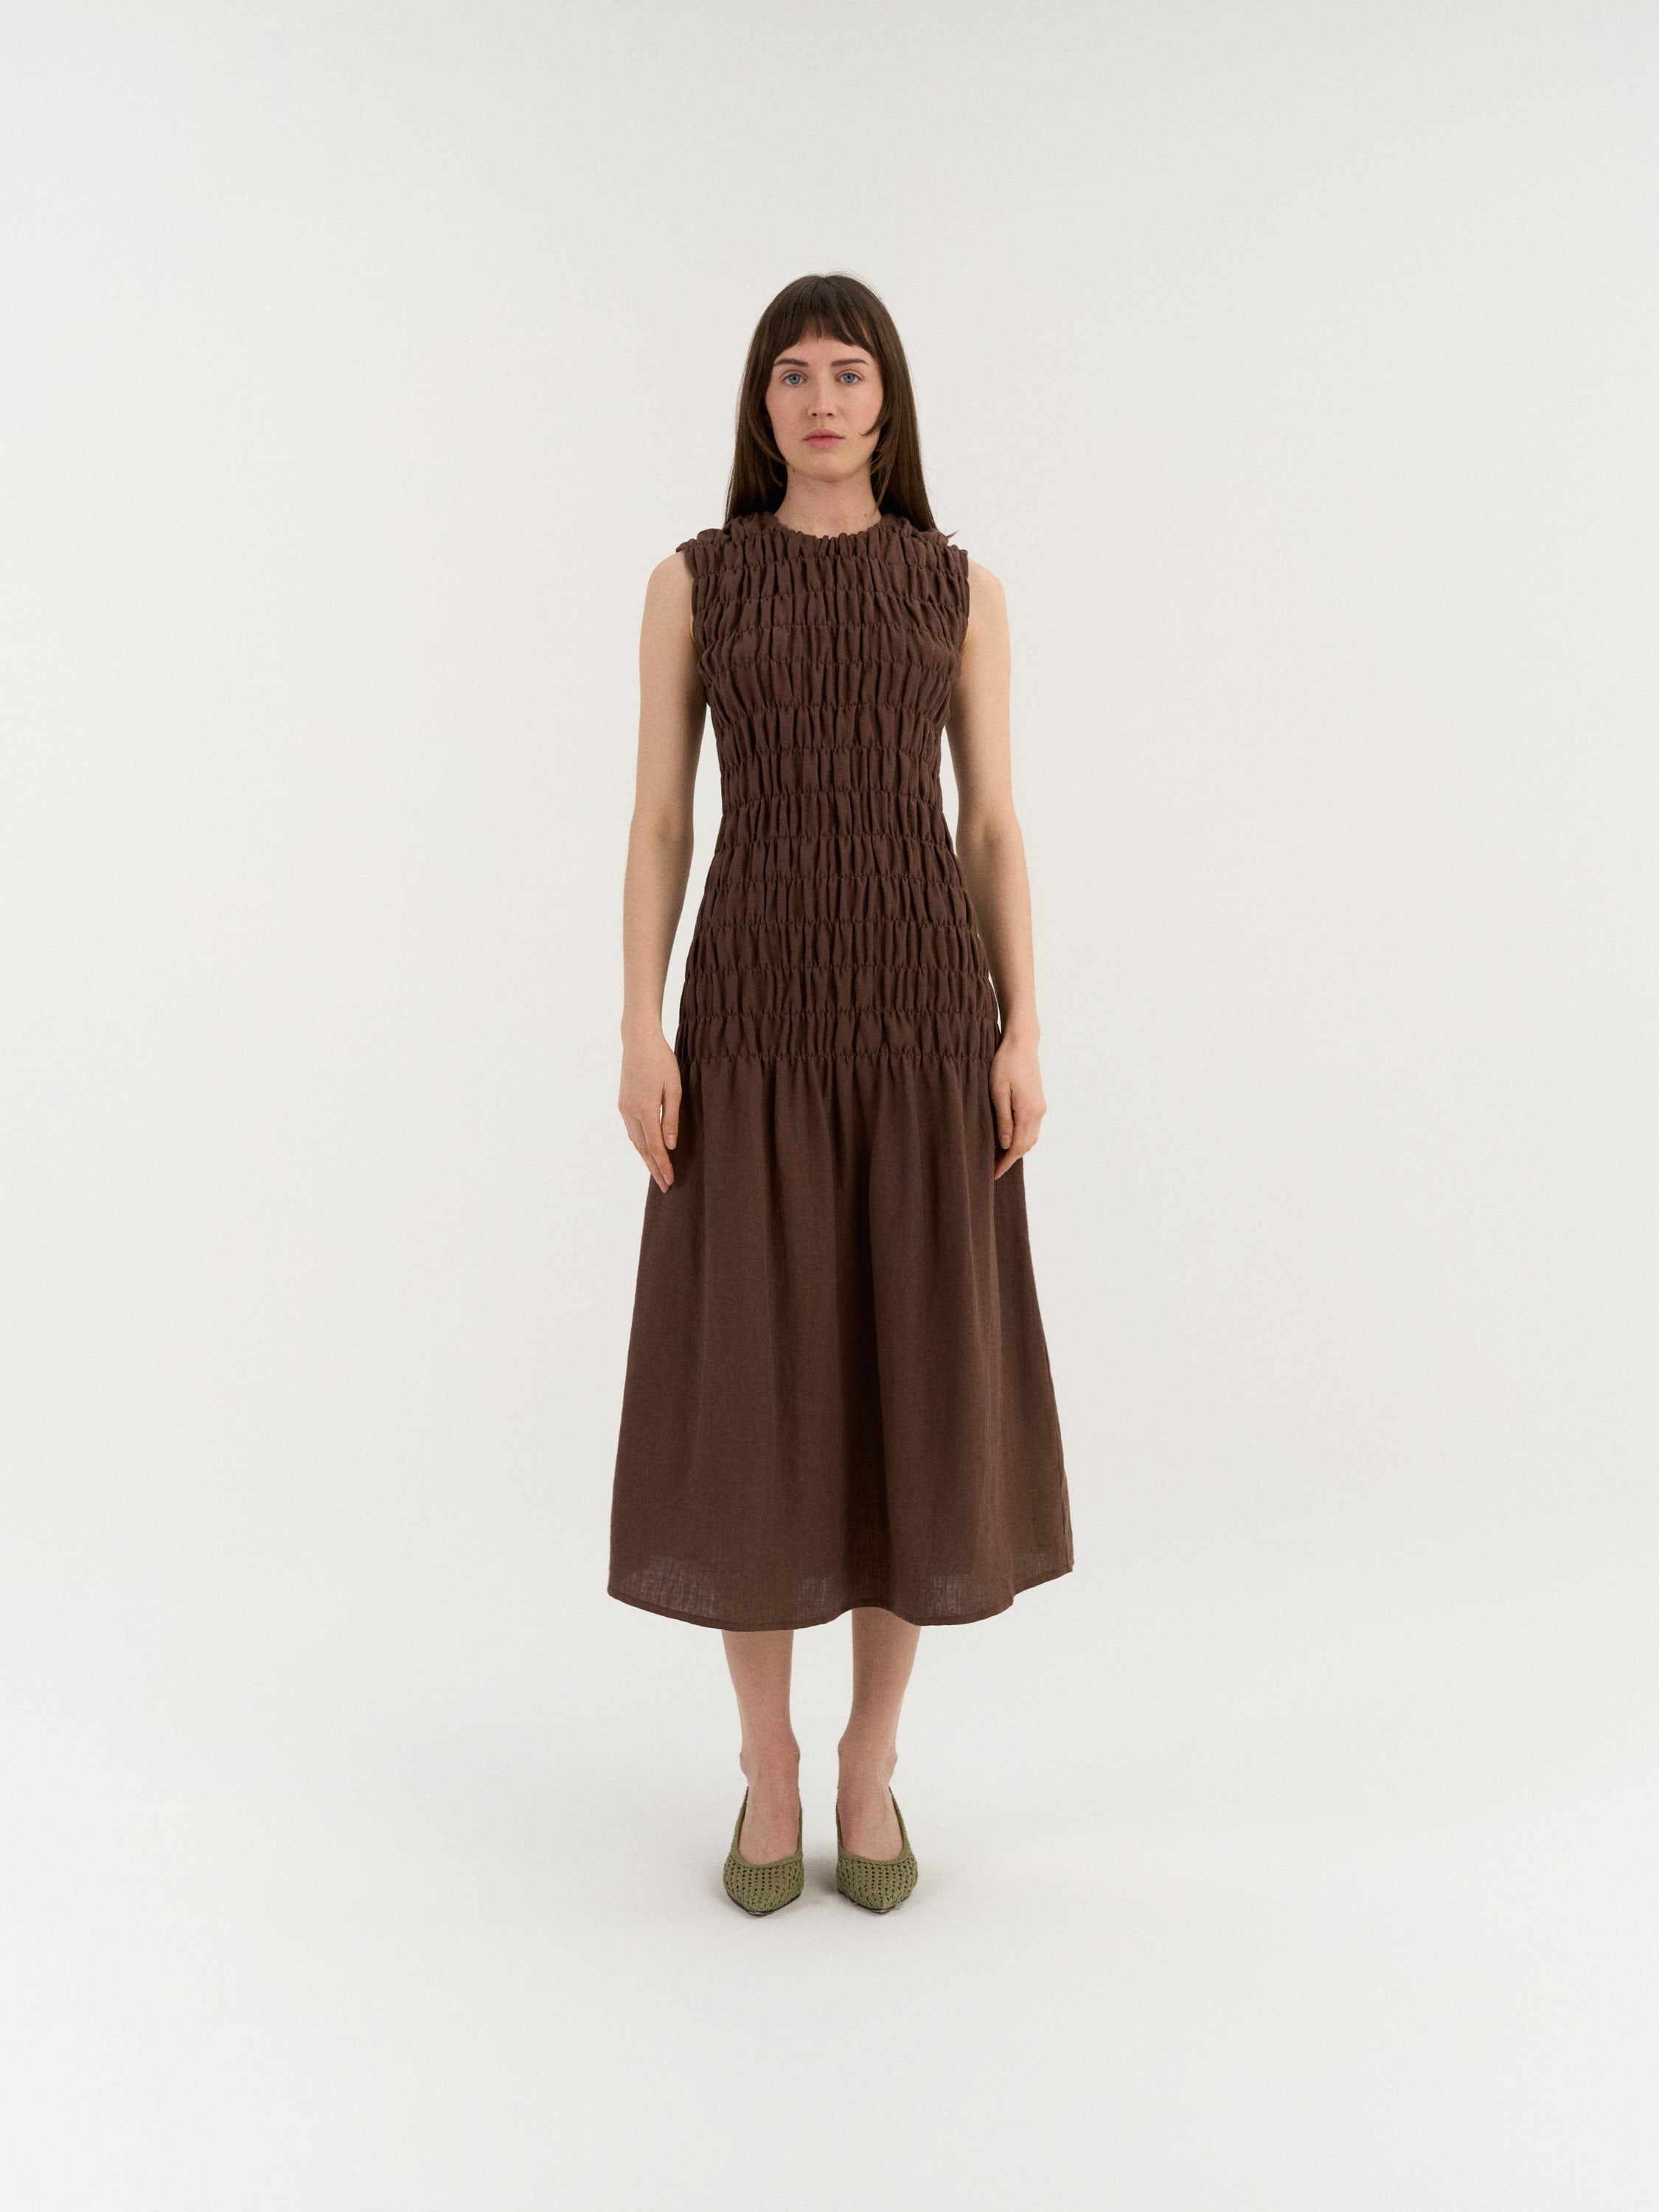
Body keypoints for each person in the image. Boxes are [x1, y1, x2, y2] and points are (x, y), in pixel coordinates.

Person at [611, 272, 1072, 1915]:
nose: (821, 399)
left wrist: (1023, 1028)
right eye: (794, 373)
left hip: (924, 1020)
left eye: (849, 373)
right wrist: (640, 1025)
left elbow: (991, 824)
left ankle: (870, 1759)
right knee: (753, 1397)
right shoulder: (694, 581)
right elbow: (662, 822)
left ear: (889, 403)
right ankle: (768, 1762)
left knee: (904, 1397)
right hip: (747, 1019)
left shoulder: (959, 587)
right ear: (762, 402)